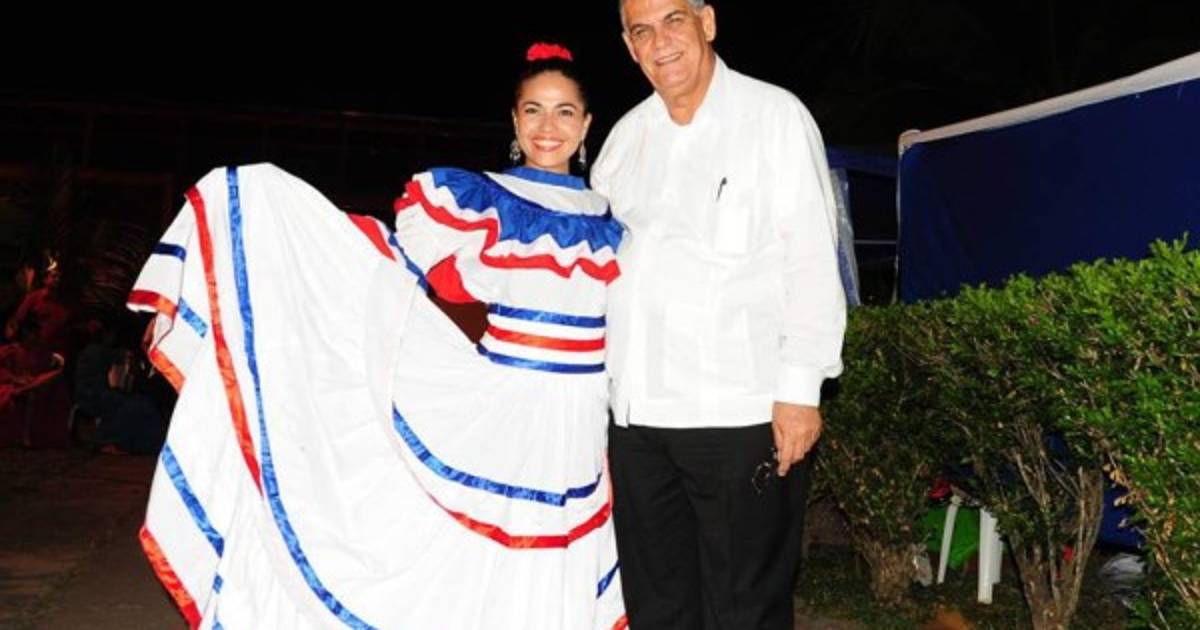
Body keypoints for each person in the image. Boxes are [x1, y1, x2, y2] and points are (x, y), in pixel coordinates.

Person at [128, 43, 626, 629]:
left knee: (556, 555)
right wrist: (281, 227)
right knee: (487, 552)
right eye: (534, 110)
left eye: (565, 111)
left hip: (581, 412)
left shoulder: (613, 215)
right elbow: (390, 273)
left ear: (586, 125)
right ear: (515, 121)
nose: (548, 126)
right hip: (503, 405)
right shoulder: (482, 198)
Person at [590, 1, 847, 628]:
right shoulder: (623, 141)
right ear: (628, 46)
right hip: (638, 423)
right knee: (657, 607)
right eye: (642, 30)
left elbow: (812, 257)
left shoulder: (774, 117)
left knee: (744, 610)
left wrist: (800, 391)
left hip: (739, 416)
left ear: (707, 22)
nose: (660, 41)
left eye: (673, 20)